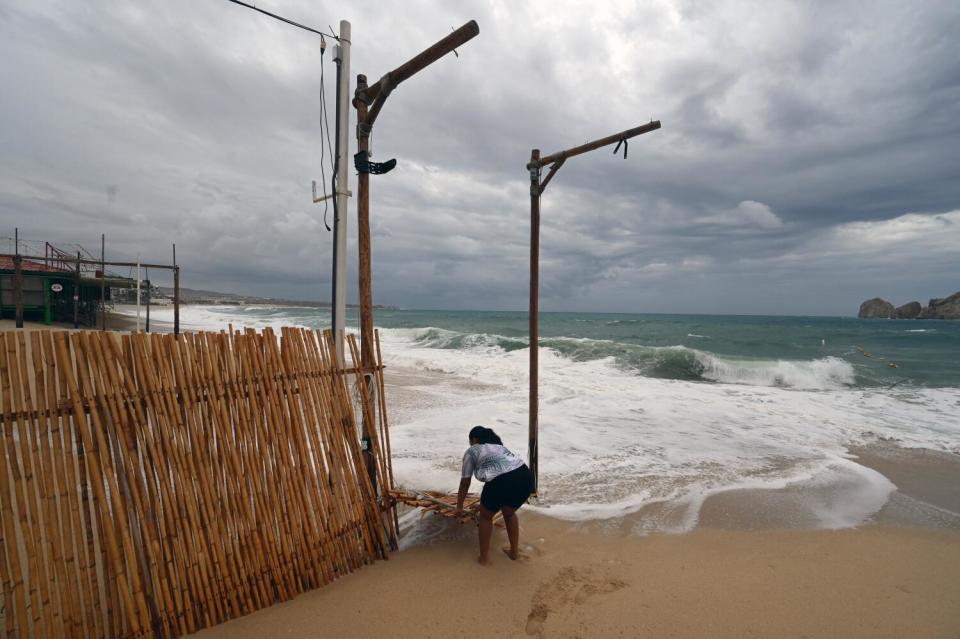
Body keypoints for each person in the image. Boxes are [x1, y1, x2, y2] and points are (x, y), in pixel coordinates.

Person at [454, 425, 535, 564]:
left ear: (473, 439)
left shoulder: (471, 451)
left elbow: (465, 483)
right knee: (509, 513)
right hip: (524, 477)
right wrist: (484, 505)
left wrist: (459, 506)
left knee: (485, 517)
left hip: (502, 481)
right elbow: (504, 474)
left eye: (470, 441)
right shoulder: (499, 447)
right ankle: (514, 553)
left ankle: (484, 559)